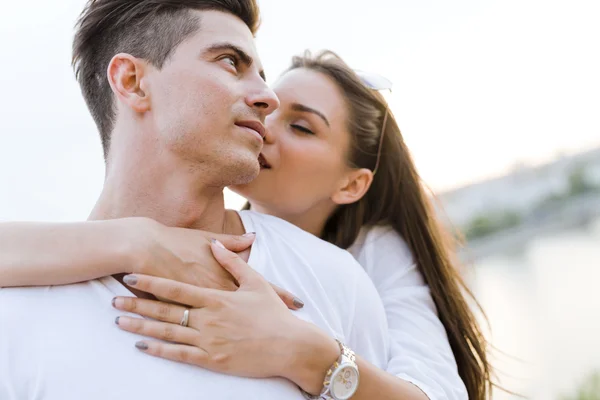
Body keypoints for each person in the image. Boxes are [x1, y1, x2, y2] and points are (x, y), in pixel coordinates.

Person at [0, 51, 495, 400]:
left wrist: (304, 352)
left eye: (301, 127)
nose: (265, 125)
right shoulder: (185, 238)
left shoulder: (369, 258)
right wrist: (138, 241)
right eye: (272, 107)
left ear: (351, 185)